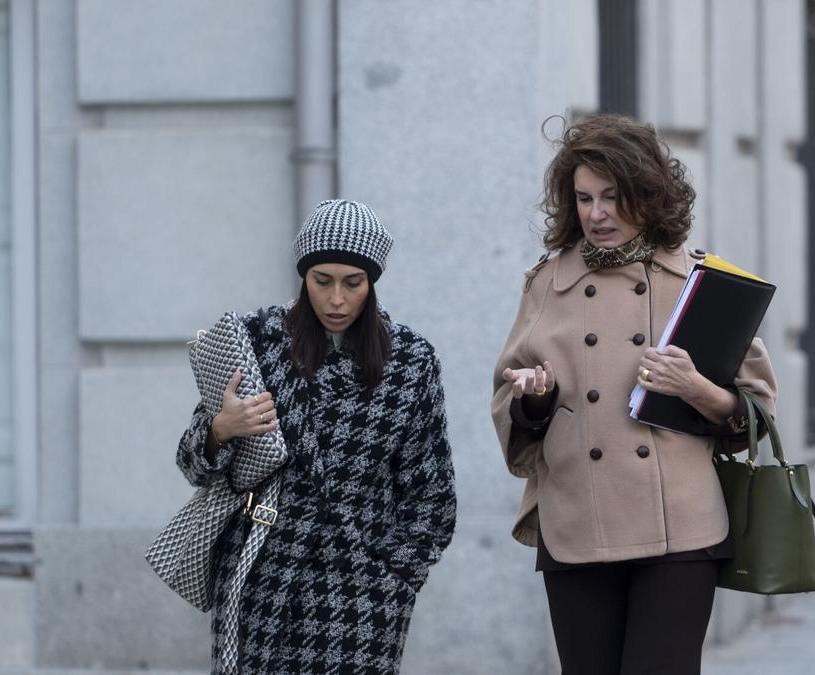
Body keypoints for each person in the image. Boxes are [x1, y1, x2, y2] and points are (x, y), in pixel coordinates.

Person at [491, 114, 777, 675]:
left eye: (612, 197)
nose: (596, 215)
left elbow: (757, 412)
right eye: (583, 198)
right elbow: (509, 402)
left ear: (647, 194)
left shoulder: (702, 281)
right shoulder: (547, 283)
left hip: (681, 529)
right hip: (578, 521)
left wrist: (695, 388)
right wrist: (534, 400)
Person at [177, 199, 457, 674]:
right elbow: (190, 463)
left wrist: (391, 578)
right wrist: (220, 430)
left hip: (359, 592)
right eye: (321, 281)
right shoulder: (256, 341)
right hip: (261, 573)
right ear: (303, 277)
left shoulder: (410, 363)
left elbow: (432, 497)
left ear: (373, 282)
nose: (337, 300)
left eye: (354, 282)